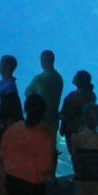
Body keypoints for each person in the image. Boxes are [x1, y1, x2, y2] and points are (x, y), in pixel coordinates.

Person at [0, 94, 53, 195]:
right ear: (43, 112)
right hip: (32, 186)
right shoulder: (44, 136)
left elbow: (1, 155)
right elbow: (44, 166)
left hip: (12, 180)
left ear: (25, 109)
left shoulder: (13, 129)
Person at [24, 50, 63, 182]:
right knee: (52, 145)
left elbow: (28, 93)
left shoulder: (40, 78)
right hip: (53, 119)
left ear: (43, 60)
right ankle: (52, 175)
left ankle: (39, 175)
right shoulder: (59, 78)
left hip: (40, 119)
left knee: (38, 147)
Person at [59, 70, 97, 157]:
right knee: (86, 157)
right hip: (87, 129)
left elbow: (65, 113)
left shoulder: (74, 96)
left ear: (80, 80)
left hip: (73, 130)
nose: (73, 77)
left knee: (76, 157)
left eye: (75, 76)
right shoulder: (91, 94)